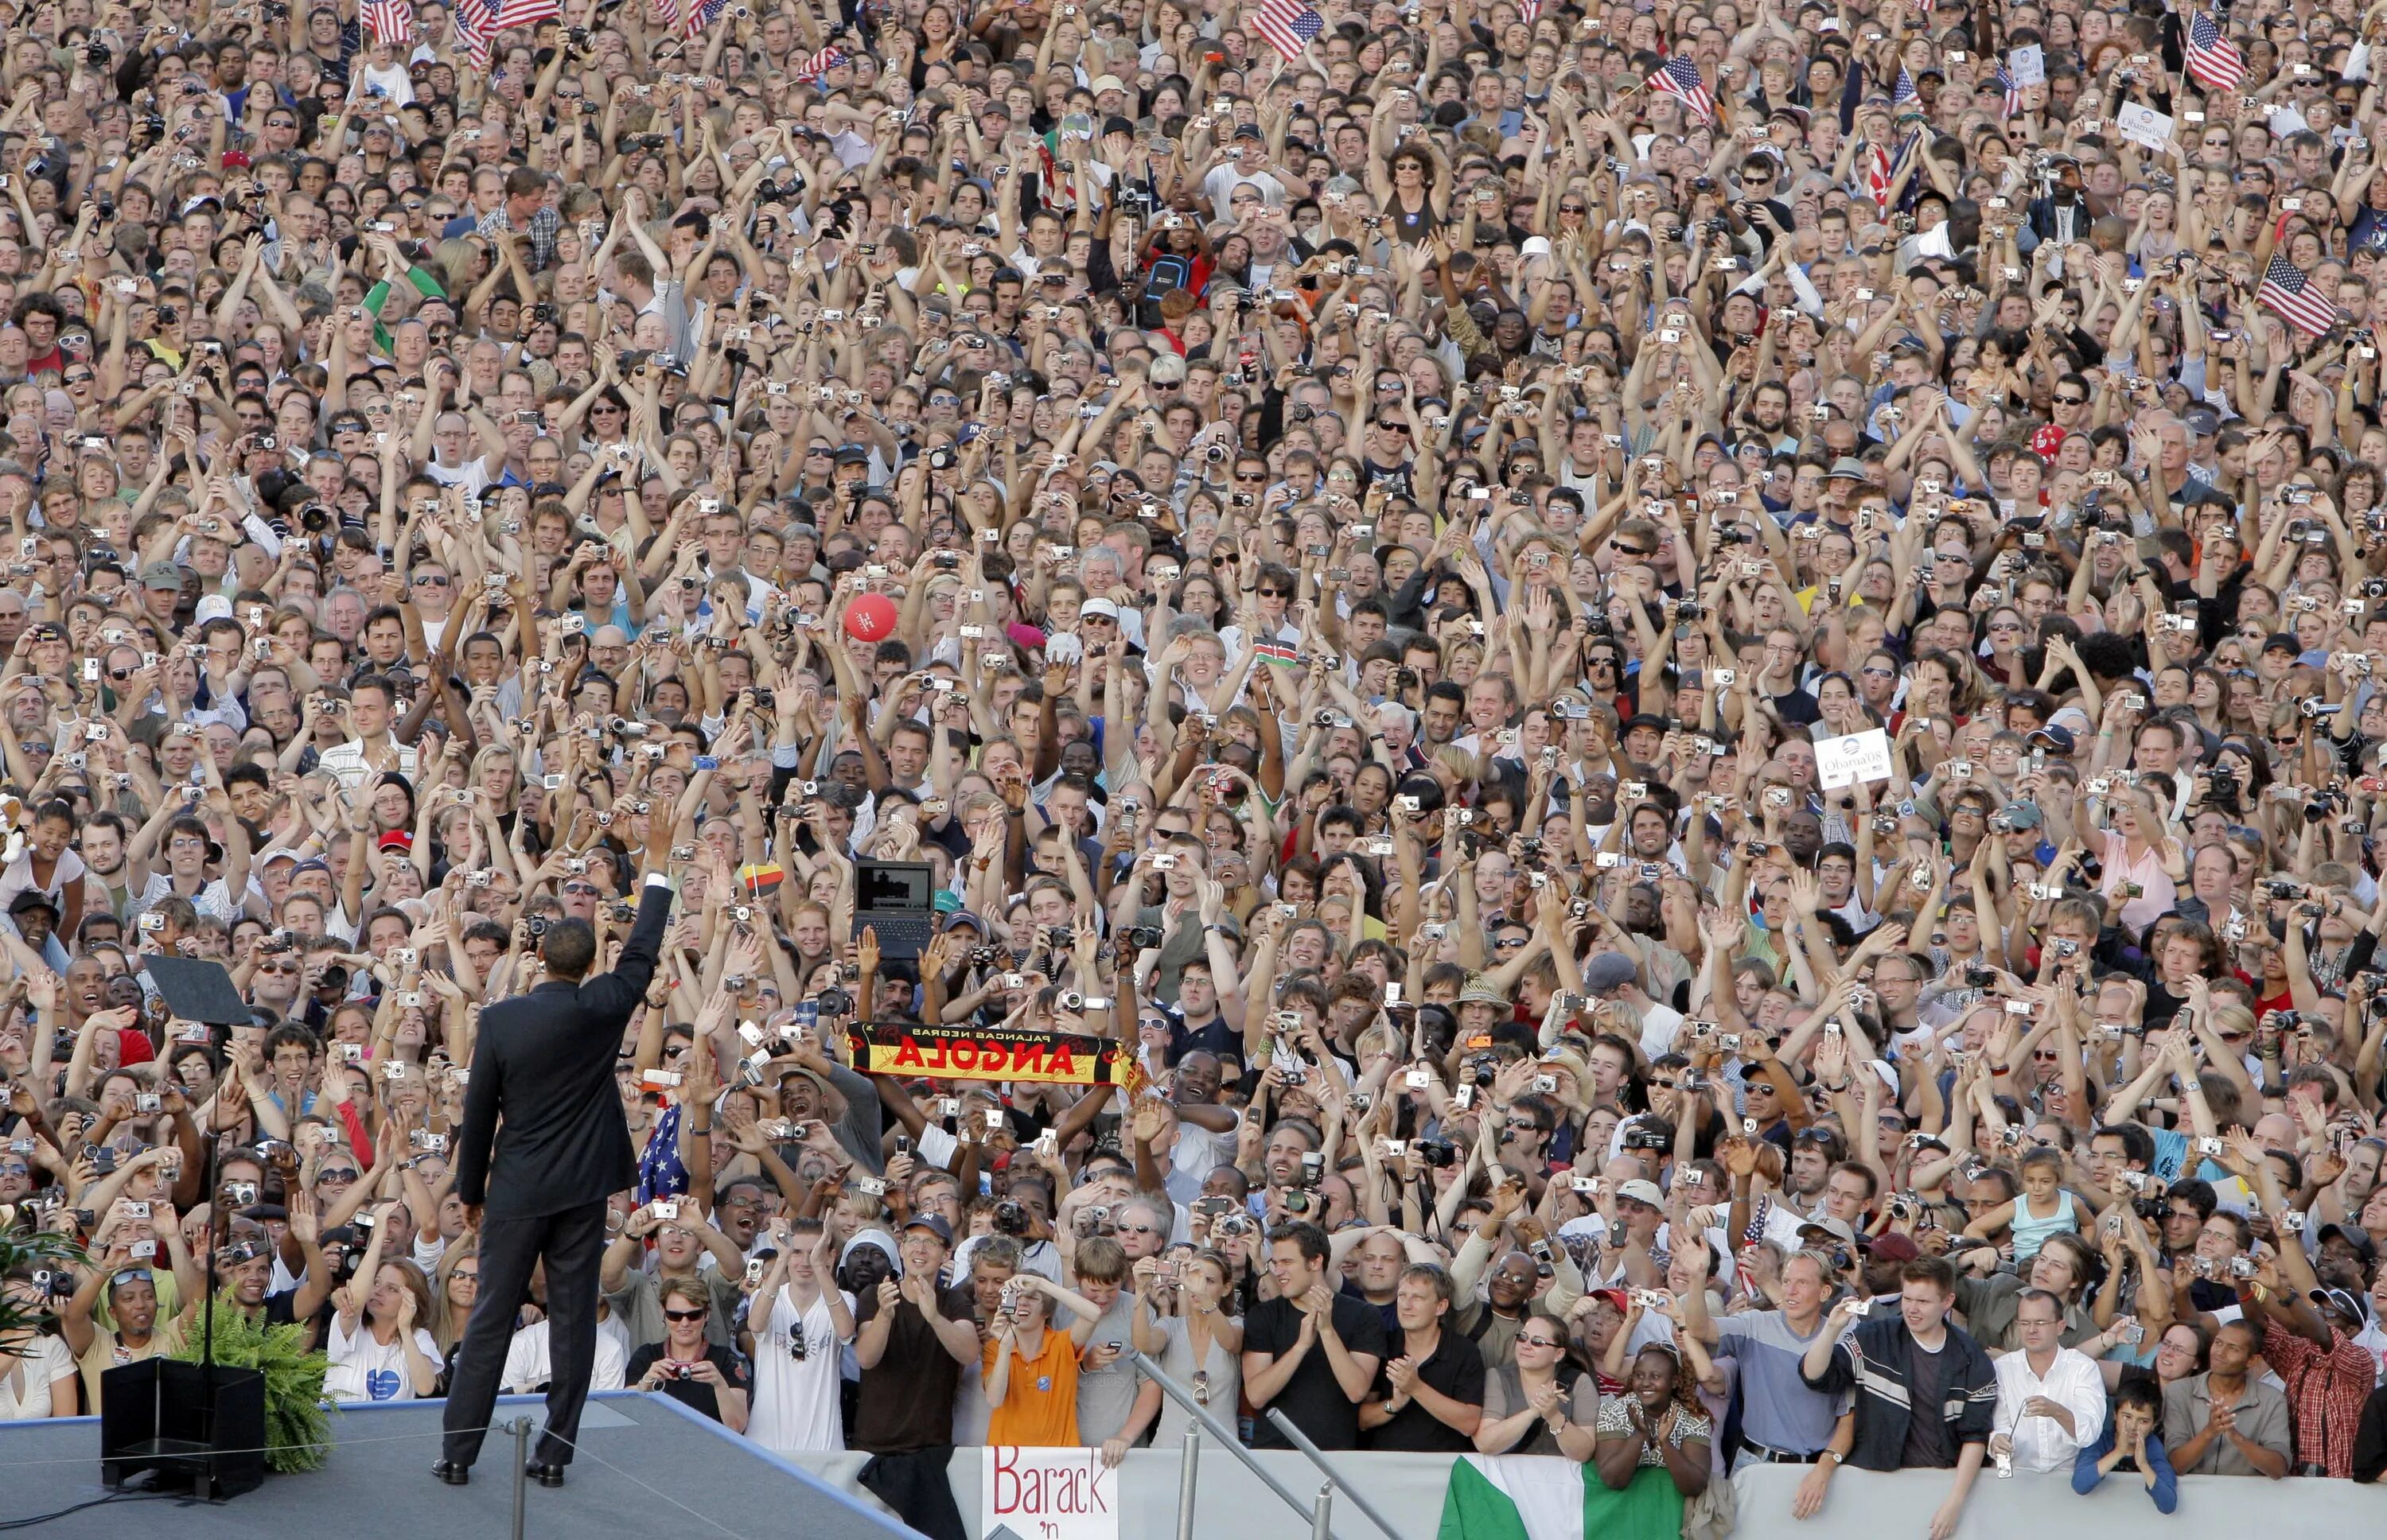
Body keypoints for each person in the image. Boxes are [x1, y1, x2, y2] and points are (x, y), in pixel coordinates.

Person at [437, 813, 672, 1487]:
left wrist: (472, 1195)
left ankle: (458, 1454)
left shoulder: (503, 1021)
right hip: (581, 1192)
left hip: (516, 1189)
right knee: (573, 1322)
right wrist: (655, 865)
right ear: (590, 963)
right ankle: (553, 1456)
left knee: (489, 1320)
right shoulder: (604, 1006)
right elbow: (645, 951)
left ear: (539, 959)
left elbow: (478, 1117)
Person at [1800, 1258, 1994, 1540]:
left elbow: (1975, 1437)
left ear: (1948, 1301)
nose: (1912, 1309)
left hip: (1938, 1483)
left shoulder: (1971, 1357)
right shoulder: (1874, 1338)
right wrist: (1831, 1330)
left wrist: (1954, 1503)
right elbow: (1816, 1376)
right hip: (1875, 1480)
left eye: (1923, 1302)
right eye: (1907, 1298)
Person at [1242, 1220, 1388, 1451]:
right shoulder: (1264, 1315)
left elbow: (1357, 1390)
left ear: (1316, 1261)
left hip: (1335, 1458)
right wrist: (1300, 1347)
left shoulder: (1363, 1315)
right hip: (1272, 1455)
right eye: (1275, 1263)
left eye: (1288, 1262)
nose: (1278, 1272)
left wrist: (1327, 1332)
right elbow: (1257, 1395)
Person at [742, 1219, 855, 1454]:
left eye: (814, 1252)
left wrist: (820, 1267)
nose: (805, 1261)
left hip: (823, 1446)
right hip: (765, 1444)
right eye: (797, 1253)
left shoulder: (844, 1299)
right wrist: (781, 1256)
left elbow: (845, 1331)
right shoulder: (767, 1296)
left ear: (831, 1256)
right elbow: (755, 1324)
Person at [1589, 1343, 1711, 1540]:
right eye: (1639, 1375)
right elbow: (1613, 1479)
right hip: (1620, 1515)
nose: (1645, 1383)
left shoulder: (1693, 1419)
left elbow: (1694, 1485)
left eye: (1655, 1376)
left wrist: (1666, 1444)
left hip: (1673, 1518)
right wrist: (1638, 1436)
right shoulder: (1614, 1412)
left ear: (1675, 1381)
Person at [1988, 1289, 2106, 1474]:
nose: (2032, 1330)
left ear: (2060, 1327)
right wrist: (1998, 1441)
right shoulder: (2003, 1368)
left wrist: (2056, 1411)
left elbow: (2089, 1433)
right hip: (2018, 1477)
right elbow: (2001, 1426)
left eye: (2040, 1322)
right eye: (2025, 1323)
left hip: (2069, 1480)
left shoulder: (2083, 1368)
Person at [2163, 1319, 2293, 1478]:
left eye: (2233, 1348)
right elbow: (2176, 1465)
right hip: (2190, 1500)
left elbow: (2278, 1468)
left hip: (2248, 1500)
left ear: (2252, 1360)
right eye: (2218, 1343)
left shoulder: (2273, 1401)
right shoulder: (2179, 1392)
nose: (2220, 1352)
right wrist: (2209, 1432)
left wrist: (2236, 1438)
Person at [625, 1278, 750, 1433]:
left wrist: (719, 1384)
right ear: (663, 1313)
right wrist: (644, 1386)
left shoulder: (725, 1359)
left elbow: (737, 1426)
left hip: (710, 1451)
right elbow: (627, 1419)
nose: (684, 1323)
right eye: (675, 1316)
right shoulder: (646, 1357)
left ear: (707, 1314)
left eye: (694, 1315)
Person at [2074, 1380, 2179, 1511]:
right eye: (2127, 1417)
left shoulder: (2153, 1447)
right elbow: (2080, 1484)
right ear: (2115, 1415)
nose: (2132, 1426)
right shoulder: (2100, 1440)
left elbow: (2168, 1505)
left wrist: (2143, 1465)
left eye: (2143, 1421)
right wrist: (2119, 1452)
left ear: (2154, 1425)